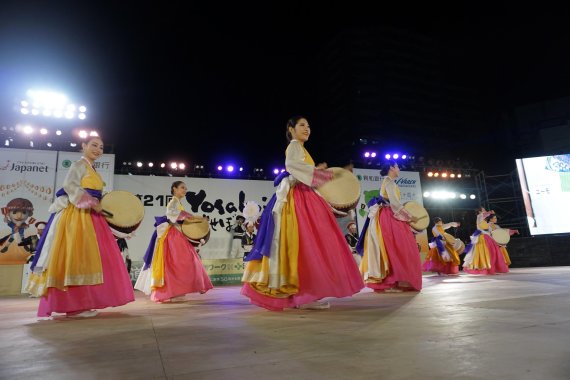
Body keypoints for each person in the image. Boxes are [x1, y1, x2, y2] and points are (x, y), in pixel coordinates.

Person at [241, 116, 364, 310]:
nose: (307, 128)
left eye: (308, 126)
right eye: (302, 125)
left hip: (303, 196)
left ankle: (301, 293)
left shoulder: (301, 148)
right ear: (291, 128)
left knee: (303, 246)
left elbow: (302, 170)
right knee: (305, 244)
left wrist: (317, 170)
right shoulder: (294, 146)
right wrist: (324, 174)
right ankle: (305, 294)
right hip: (297, 198)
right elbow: (293, 167)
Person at [26, 136, 134, 318]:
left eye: (101, 147)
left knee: (90, 258)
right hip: (77, 215)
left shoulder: (92, 169)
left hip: (90, 216)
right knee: (77, 257)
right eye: (94, 145)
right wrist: (92, 202)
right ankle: (73, 305)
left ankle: (83, 302)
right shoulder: (79, 165)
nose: (98, 149)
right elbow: (69, 186)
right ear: (83, 146)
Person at [135, 181, 213, 302]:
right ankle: (172, 292)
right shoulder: (173, 202)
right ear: (174, 189)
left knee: (181, 263)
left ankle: (176, 291)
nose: (185, 190)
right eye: (182, 188)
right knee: (177, 263)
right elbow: (171, 214)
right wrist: (190, 216)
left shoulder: (177, 202)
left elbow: (179, 216)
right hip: (173, 235)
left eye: (186, 188)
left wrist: (193, 218)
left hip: (177, 234)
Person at [356, 160, 422, 292]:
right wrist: (410, 217)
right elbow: (395, 204)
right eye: (397, 167)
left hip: (387, 215)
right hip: (388, 216)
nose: (399, 169)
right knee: (393, 247)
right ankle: (390, 281)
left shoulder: (389, 182)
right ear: (391, 168)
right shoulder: (389, 182)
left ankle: (393, 281)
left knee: (391, 247)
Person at [462, 207, 509, 275]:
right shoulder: (479, 216)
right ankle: (484, 268)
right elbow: (484, 215)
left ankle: (491, 268)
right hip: (482, 237)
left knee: (492, 252)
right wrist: (489, 212)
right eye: (483, 210)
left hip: (487, 236)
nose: (485, 210)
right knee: (486, 253)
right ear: (480, 211)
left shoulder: (484, 220)